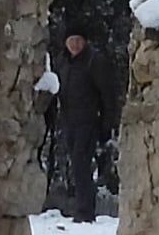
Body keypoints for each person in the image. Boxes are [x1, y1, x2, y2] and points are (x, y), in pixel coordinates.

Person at [45, 20, 121, 218]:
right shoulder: (62, 62)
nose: (75, 44)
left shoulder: (94, 61)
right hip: (68, 121)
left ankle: (85, 211)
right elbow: (56, 90)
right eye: (72, 40)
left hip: (89, 122)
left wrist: (107, 124)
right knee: (77, 165)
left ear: (85, 42)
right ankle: (81, 207)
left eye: (79, 40)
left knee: (81, 163)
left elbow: (108, 95)